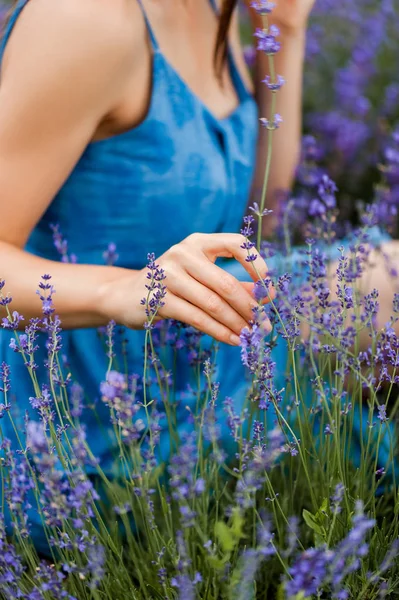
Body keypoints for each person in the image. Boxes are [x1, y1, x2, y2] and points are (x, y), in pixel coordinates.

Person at [0, 0, 396, 553]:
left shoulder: (211, 8)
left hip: (201, 349)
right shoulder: (86, 19)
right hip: (86, 417)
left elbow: (266, 215)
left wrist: (282, 30)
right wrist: (119, 288)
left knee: (388, 281)